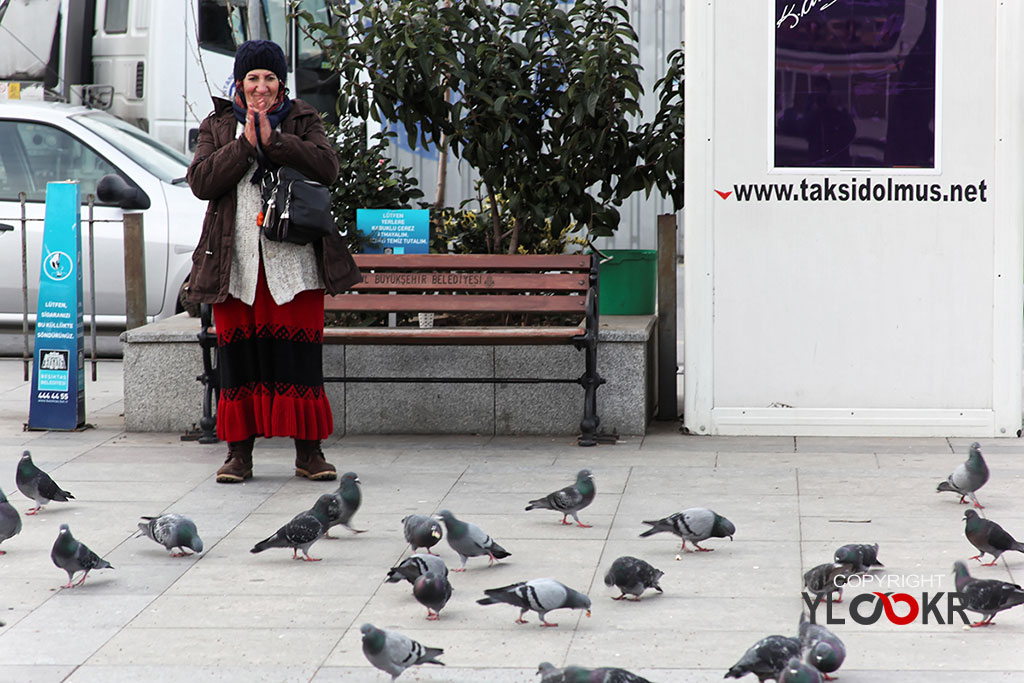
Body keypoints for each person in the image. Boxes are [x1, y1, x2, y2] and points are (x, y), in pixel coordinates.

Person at [185, 39, 361, 483]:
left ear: (281, 83)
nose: (260, 87)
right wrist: (245, 144)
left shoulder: (302, 119)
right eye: (252, 79)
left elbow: (327, 168)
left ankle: (310, 453)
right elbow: (202, 181)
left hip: (294, 262)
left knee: (298, 358)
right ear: (239, 84)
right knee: (239, 358)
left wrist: (277, 143)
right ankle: (238, 455)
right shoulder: (218, 123)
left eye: (269, 78)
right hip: (236, 263)